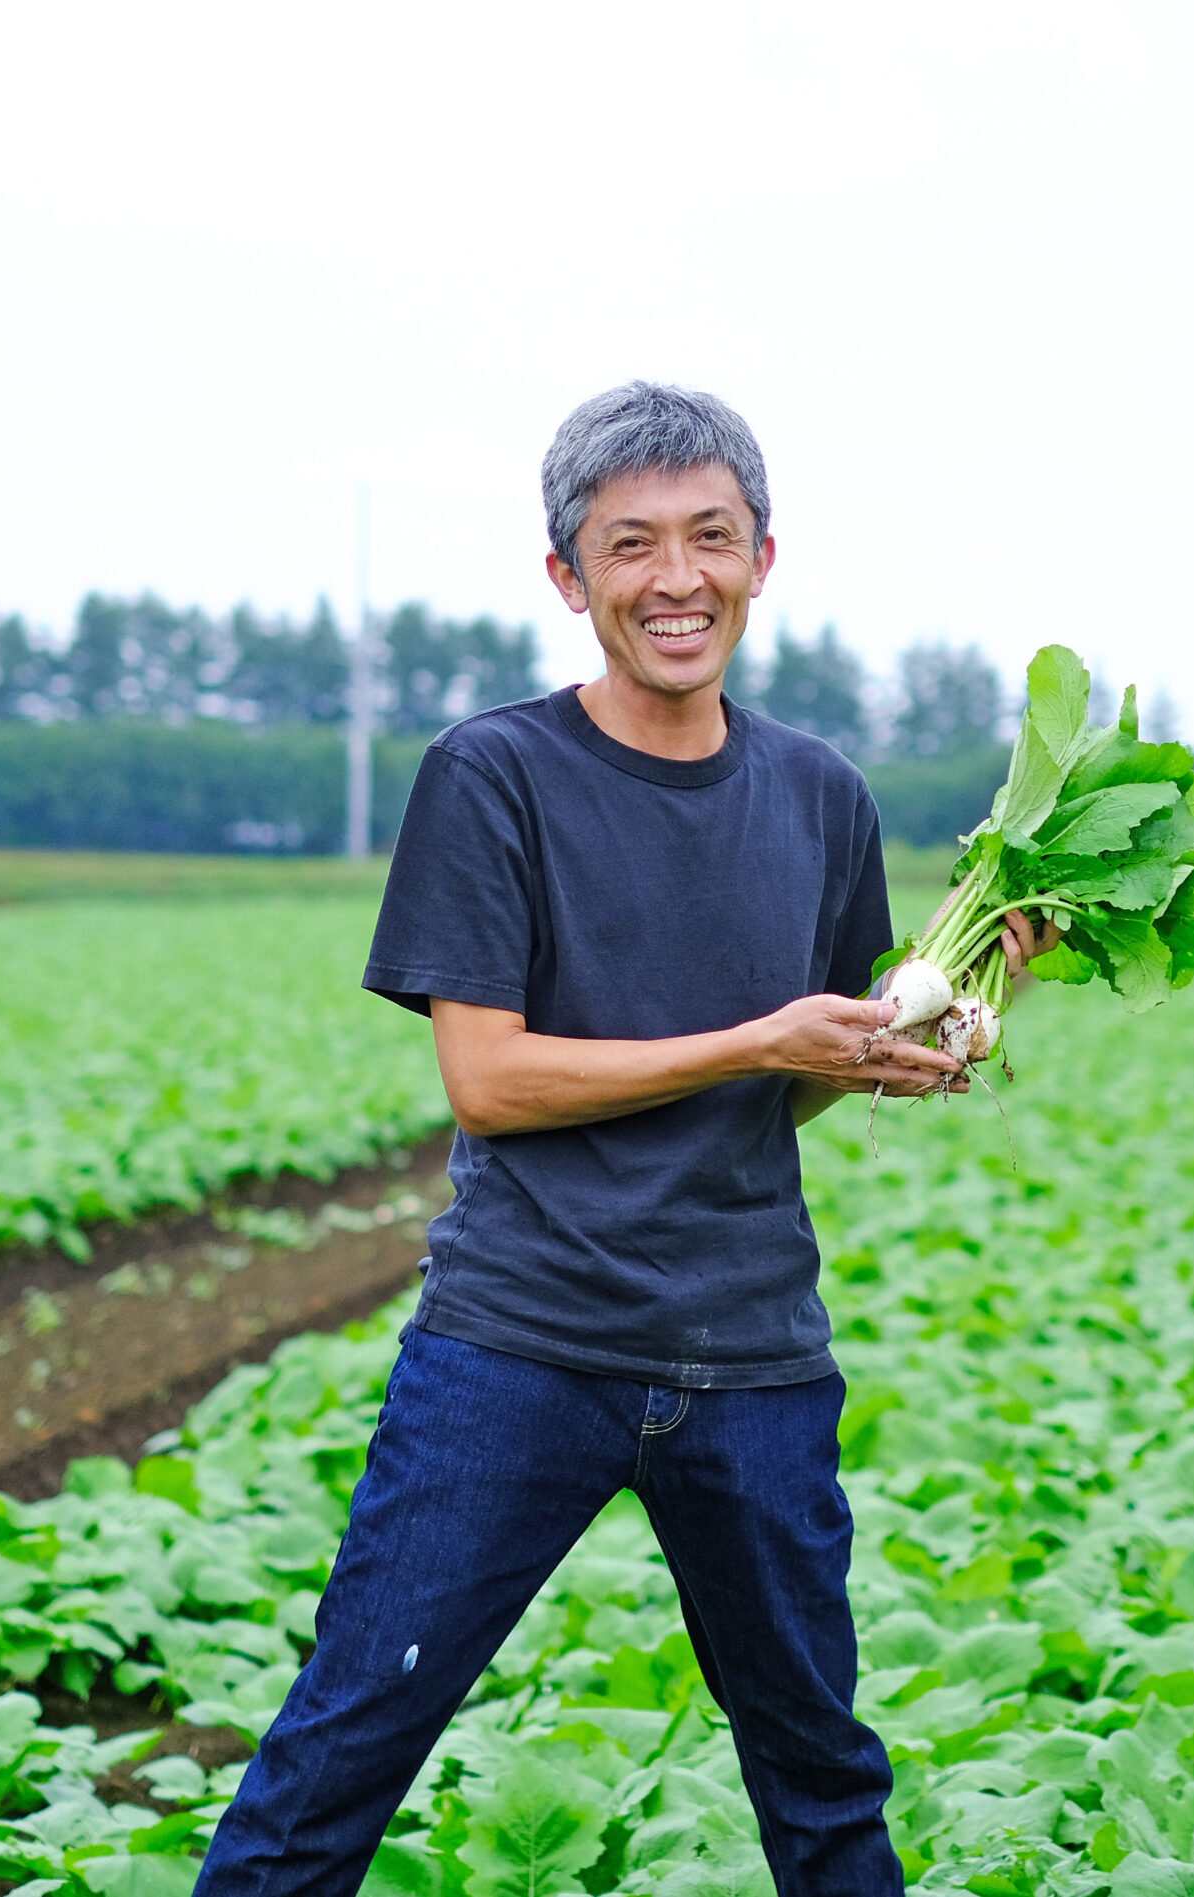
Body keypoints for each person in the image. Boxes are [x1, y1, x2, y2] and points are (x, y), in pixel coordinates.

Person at [193, 382, 1055, 1897]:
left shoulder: (818, 794)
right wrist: (759, 1039)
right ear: (568, 577)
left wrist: (900, 1041)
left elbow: (784, 1083)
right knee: (341, 1752)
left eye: (710, 538)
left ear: (764, 559)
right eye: (631, 544)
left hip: (754, 1355)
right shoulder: (497, 776)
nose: (677, 579)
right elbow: (491, 1079)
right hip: (522, 1342)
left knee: (825, 1780)